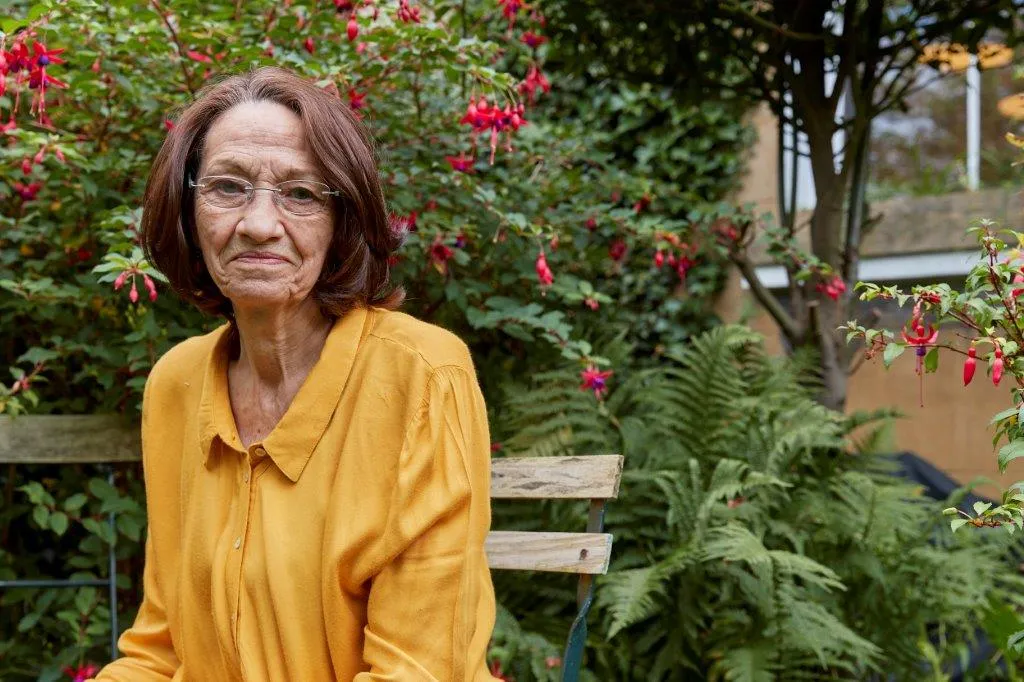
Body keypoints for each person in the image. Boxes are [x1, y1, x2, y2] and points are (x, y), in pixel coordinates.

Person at [88, 66, 500, 681]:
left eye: (300, 194)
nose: (258, 224)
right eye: (227, 188)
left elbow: (417, 669)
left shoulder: (422, 377)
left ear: (343, 221)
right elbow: (160, 652)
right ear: (187, 209)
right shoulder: (176, 385)